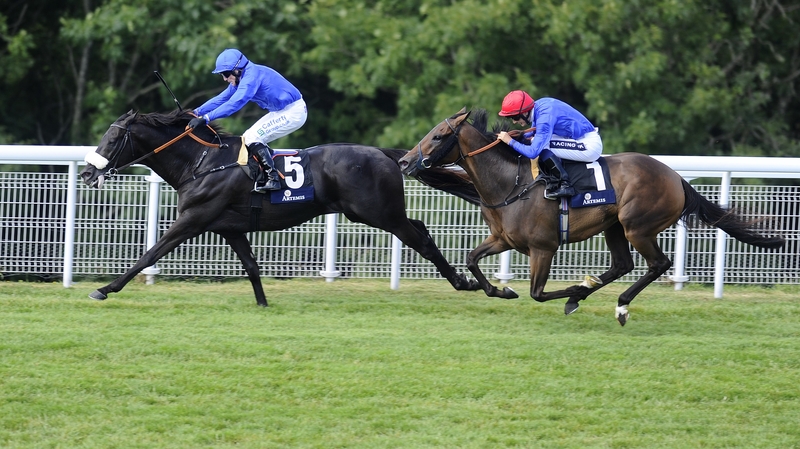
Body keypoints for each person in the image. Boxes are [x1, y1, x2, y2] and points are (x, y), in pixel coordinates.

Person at [187, 48, 307, 192]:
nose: (225, 79)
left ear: (237, 70)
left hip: (293, 112)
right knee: (247, 138)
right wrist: (196, 112)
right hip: (281, 111)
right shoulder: (243, 76)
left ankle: (273, 179)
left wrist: (206, 118)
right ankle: (268, 173)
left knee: (252, 137)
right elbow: (222, 98)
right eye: (222, 75)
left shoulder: (250, 79)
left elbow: (234, 104)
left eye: (226, 74)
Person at [496, 90, 602, 200]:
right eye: (511, 118)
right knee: (536, 141)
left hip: (589, 145)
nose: (514, 122)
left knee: (543, 146)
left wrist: (510, 141)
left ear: (525, 112)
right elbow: (531, 134)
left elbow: (533, 152)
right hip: (578, 138)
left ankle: (565, 184)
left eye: (515, 117)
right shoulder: (538, 106)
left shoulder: (544, 117)